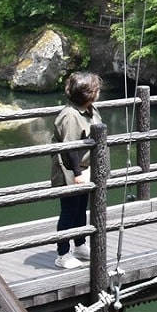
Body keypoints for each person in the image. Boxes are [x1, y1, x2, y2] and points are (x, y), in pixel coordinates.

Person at [51, 71, 101, 269]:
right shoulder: (70, 115)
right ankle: (62, 253)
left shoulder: (89, 109)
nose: (98, 92)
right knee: (70, 211)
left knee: (81, 208)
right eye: (96, 89)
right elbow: (70, 148)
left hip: (86, 168)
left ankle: (80, 244)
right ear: (87, 93)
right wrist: (78, 175)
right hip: (71, 171)